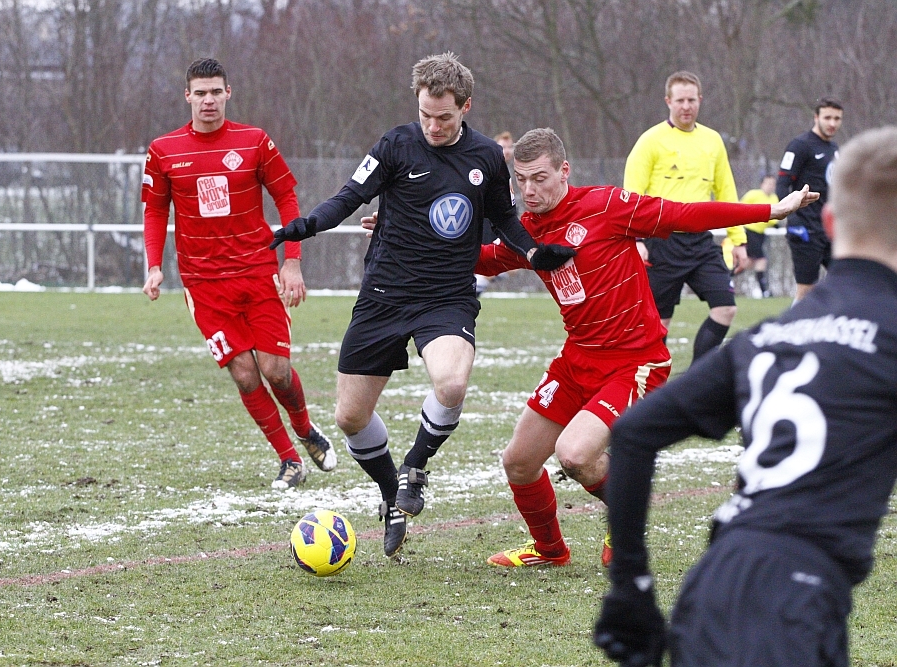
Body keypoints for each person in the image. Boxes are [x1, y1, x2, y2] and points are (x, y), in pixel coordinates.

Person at [593, 126, 897, 667]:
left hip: (712, 587)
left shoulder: (769, 335)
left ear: (829, 223)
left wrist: (630, 585)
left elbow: (634, 431)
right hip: (792, 604)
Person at [270, 53, 575, 557]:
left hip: (446, 295)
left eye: (444, 117)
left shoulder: (486, 157)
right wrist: (306, 227)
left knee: (451, 383)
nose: (433, 126)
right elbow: (349, 197)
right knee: (349, 417)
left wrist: (535, 252)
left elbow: (505, 220)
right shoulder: (395, 144)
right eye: (425, 115)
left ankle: (416, 465)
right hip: (384, 294)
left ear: (465, 107)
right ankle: (392, 491)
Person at [472, 129, 816, 570]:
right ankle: (550, 551)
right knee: (518, 462)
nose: (529, 190)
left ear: (564, 170)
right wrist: (410, 237)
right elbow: (484, 259)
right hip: (577, 359)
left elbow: (686, 213)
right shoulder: (528, 233)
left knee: (575, 455)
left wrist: (770, 210)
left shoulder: (606, 206)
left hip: (635, 362)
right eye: (521, 180)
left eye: (539, 178)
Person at [141, 58, 336, 491]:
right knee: (245, 374)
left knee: (276, 370)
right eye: (200, 93)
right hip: (204, 284)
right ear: (187, 96)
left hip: (257, 272)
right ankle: (289, 460)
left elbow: (287, 198)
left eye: (216, 91)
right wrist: (153, 265)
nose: (208, 100)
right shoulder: (164, 150)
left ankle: (305, 429)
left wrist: (292, 261)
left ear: (228, 93)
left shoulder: (254, 141)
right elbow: (154, 211)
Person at [624, 71, 749, 364]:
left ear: (700, 100)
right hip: (660, 243)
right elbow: (632, 194)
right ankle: (650, 385)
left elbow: (726, 192)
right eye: (680, 100)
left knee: (726, 308)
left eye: (691, 100)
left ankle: (696, 379)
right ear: (668, 101)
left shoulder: (713, 141)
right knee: (659, 324)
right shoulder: (650, 141)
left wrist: (739, 240)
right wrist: (636, 239)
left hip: (701, 243)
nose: (686, 106)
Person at [778, 97, 844, 302]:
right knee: (806, 291)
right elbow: (782, 185)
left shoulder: (834, 149)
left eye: (837, 118)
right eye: (827, 117)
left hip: (829, 230)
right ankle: (795, 323)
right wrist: (793, 220)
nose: (832, 123)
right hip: (805, 230)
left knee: (846, 282)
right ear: (816, 117)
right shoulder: (800, 145)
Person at [475, 131, 518, 295]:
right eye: (502, 147)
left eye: (509, 147)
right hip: (486, 227)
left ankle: (476, 286)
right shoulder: (488, 168)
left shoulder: (510, 172)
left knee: (512, 267)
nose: (506, 150)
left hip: (500, 227)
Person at [740, 175, 780, 297]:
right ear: (762, 184)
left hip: (760, 234)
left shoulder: (774, 198)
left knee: (749, 262)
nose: (770, 186)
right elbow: (740, 208)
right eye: (768, 183)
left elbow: (774, 215)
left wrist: (775, 224)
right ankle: (764, 291)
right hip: (749, 231)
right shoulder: (753, 195)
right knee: (761, 259)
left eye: (772, 184)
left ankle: (728, 277)